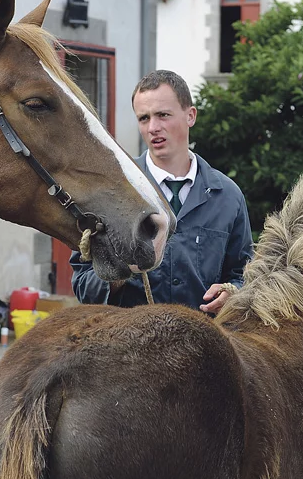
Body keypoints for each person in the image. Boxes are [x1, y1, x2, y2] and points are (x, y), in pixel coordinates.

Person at [70, 70, 253, 313]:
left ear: (190, 116)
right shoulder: (110, 191)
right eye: (144, 118)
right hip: (128, 345)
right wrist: (124, 270)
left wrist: (233, 294)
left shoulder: (228, 197)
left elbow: (246, 276)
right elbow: (83, 287)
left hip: (203, 344)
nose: (153, 127)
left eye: (163, 115)